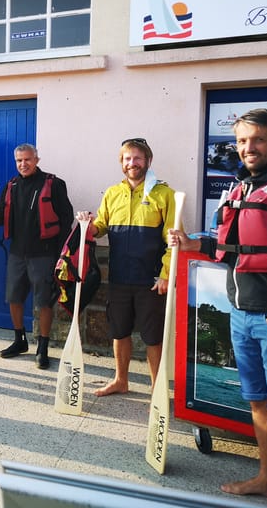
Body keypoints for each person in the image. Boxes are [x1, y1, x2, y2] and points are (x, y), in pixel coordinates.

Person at [170, 109, 267, 508]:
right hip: (240, 312)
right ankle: (266, 478)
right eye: (242, 140)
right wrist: (193, 244)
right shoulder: (241, 188)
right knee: (257, 400)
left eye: (257, 140)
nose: (247, 148)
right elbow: (233, 251)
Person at [77, 138, 175, 396]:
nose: (132, 163)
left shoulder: (164, 194)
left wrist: (166, 275)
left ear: (148, 161)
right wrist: (88, 225)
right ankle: (121, 380)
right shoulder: (112, 193)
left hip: (151, 280)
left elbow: (173, 239)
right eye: (127, 159)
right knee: (119, 331)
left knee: (153, 336)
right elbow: (101, 228)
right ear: (121, 163)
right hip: (120, 277)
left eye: (137, 158)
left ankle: (157, 388)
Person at [0, 143, 73, 369]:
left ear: (36, 160)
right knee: (14, 298)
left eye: (27, 160)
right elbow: (2, 217)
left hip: (44, 254)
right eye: (19, 161)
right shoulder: (11, 186)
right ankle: (19, 341)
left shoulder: (53, 184)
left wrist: (58, 253)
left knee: (43, 301)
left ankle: (42, 348)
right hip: (17, 253)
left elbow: (66, 218)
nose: (23, 164)